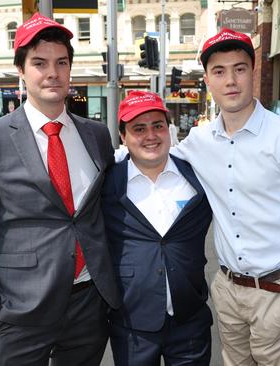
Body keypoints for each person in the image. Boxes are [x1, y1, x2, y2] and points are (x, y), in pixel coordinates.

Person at [0, 13, 119, 366]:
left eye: (61, 62)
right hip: (20, 309)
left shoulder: (96, 135)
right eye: (39, 63)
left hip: (89, 303)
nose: (52, 73)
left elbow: (104, 212)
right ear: (21, 70)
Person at [173, 28, 280, 365]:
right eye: (219, 71)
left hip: (278, 292)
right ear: (207, 79)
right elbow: (153, 157)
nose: (230, 80)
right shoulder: (198, 142)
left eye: (239, 68)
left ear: (252, 72)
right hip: (228, 290)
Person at [103, 91, 213, 365]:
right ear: (123, 137)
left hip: (190, 320)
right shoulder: (106, 182)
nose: (150, 136)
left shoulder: (198, 173)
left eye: (158, 126)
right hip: (132, 324)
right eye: (138, 129)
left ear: (169, 129)